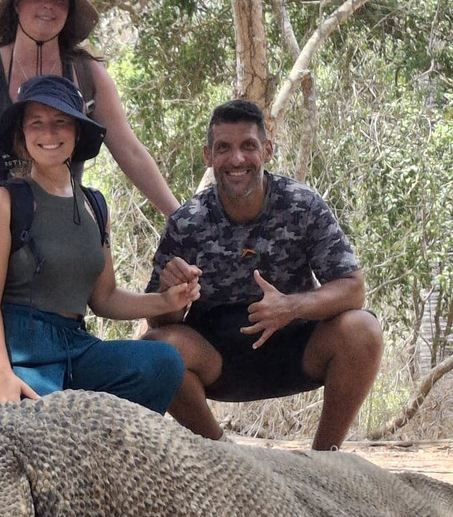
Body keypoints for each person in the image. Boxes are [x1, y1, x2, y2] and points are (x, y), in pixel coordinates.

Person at [144, 99, 382, 449]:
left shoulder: (302, 204)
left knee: (363, 329)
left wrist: (291, 307)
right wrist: (171, 293)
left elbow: (353, 289)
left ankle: (326, 458)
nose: (236, 159)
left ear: (267, 151)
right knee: (154, 351)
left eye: (248, 146)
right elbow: (159, 323)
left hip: (296, 350)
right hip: (216, 359)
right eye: (223, 148)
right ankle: (221, 454)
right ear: (208, 156)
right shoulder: (187, 221)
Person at [0, 75, 197, 413]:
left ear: (77, 132)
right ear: (22, 136)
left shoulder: (95, 206)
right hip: (5, 347)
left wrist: (165, 301)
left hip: (73, 346)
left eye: (60, 122)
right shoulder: (2, 201)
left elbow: (105, 298)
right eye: (36, 123)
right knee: (50, 414)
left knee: (162, 363)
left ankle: (111, 451)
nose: (48, 133)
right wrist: (1, 373)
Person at [0, 0, 179, 260]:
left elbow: (129, 151)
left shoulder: (88, 76)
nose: (47, 5)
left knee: (76, 274)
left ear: (69, 11)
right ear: (16, 3)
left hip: (60, 209)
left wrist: (177, 216)